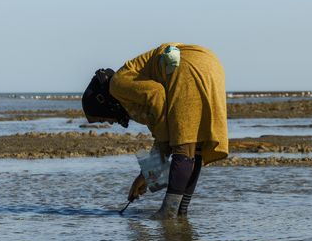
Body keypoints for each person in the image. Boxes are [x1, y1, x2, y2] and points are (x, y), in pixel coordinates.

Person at [82, 43, 228, 218]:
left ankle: (168, 213)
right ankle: (180, 213)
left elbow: (157, 95)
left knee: (184, 145)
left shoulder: (117, 84)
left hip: (185, 68)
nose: (108, 122)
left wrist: (154, 166)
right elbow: (162, 124)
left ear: (102, 103)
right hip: (209, 62)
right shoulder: (129, 83)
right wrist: (147, 174)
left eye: (102, 118)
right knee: (194, 146)